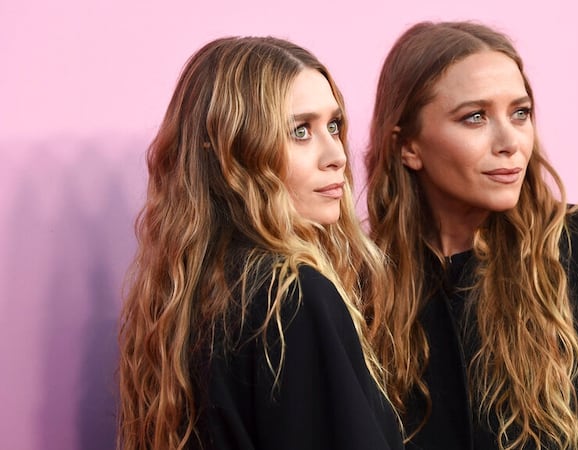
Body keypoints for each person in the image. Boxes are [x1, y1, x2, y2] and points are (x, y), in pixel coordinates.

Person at [364, 21, 578, 450]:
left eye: (521, 113)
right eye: (475, 117)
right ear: (408, 147)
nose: (510, 141)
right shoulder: (364, 283)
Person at [117, 36, 403, 450]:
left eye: (334, 126)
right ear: (229, 152)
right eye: (300, 131)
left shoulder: (189, 293)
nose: (336, 154)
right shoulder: (292, 295)